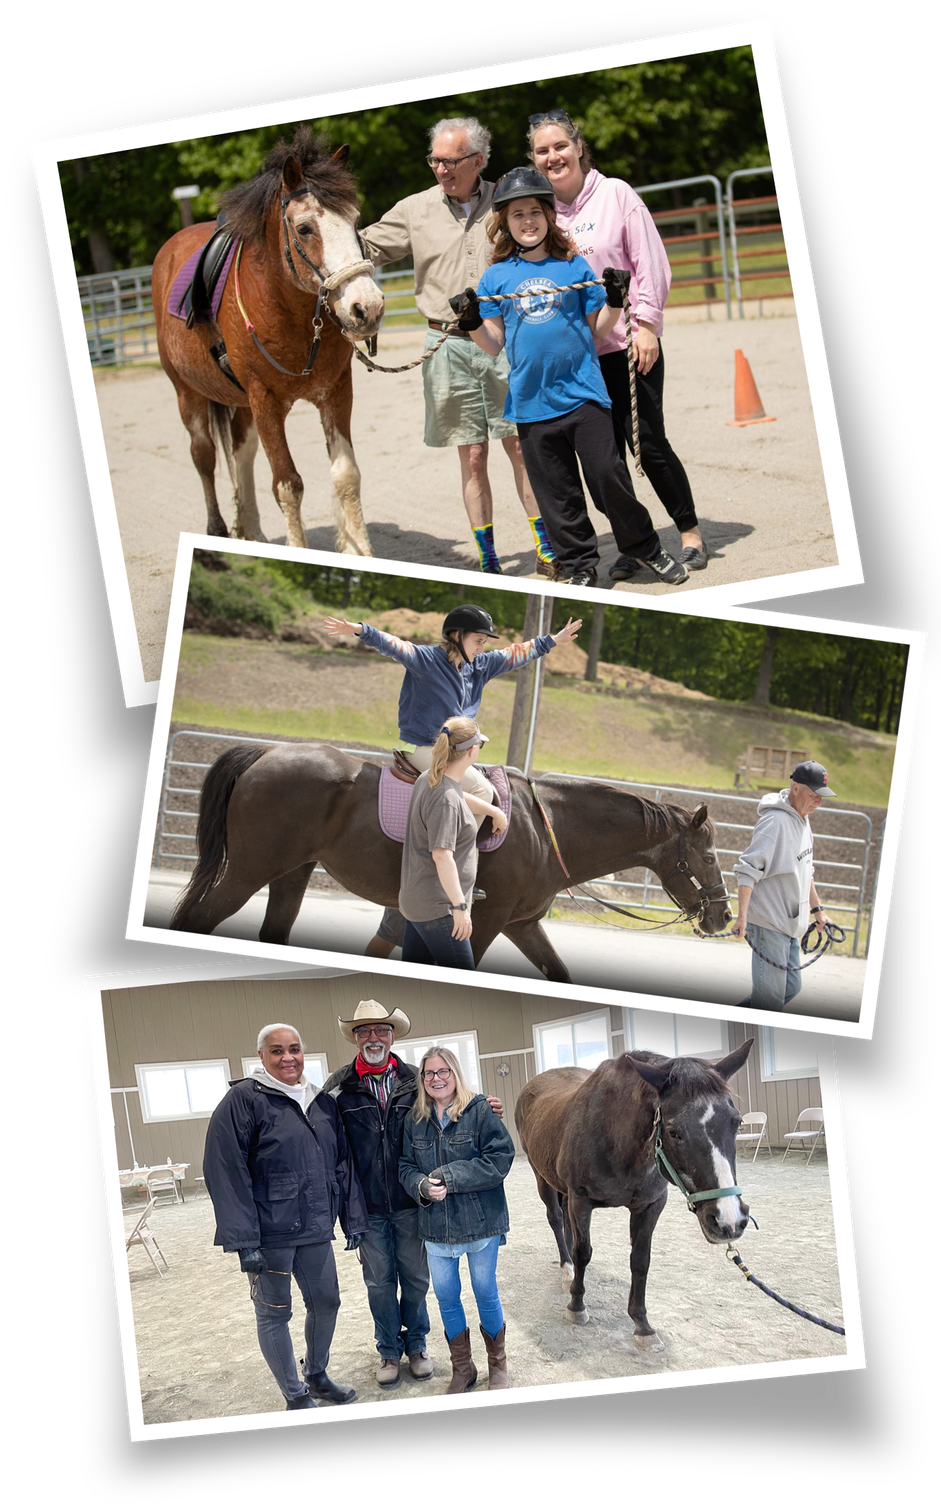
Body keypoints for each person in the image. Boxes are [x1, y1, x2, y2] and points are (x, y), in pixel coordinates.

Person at [455, 168, 688, 589]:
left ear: (549, 215)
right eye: (517, 214)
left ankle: (646, 547)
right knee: (557, 495)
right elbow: (493, 344)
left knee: (607, 475)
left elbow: (599, 327)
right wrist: (472, 320)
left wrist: (616, 298)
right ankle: (579, 563)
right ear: (505, 223)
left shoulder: (572, 266)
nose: (528, 221)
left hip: (583, 395)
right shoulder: (496, 279)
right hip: (531, 404)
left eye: (535, 212)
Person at [358, 116, 557, 577]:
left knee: (521, 446)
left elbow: (549, 232)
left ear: (479, 160)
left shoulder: (507, 200)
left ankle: (546, 549)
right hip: (445, 343)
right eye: (436, 160)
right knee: (472, 455)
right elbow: (361, 247)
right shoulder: (413, 210)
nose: (442, 170)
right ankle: (489, 559)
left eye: (452, 161)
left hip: (506, 339)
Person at [528, 109, 707, 582]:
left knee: (646, 443)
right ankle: (633, 543)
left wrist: (646, 324)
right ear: (533, 158)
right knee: (601, 460)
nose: (553, 157)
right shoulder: (540, 212)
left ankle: (689, 532)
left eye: (560, 146)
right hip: (578, 359)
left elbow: (650, 262)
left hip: (628, 346)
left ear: (579, 147)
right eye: (542, 150)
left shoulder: (616, 195)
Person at [322, 999, 505, 1389]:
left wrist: (482, 1106)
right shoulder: (337, 1090)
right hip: (367, 1206)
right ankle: (389, 1349)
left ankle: (418, 1345)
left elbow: (448, 1103)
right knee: (379, 1282)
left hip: (413, 1203)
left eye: (381, 1030)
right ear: (355, 1038)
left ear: (392, 1036)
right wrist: (342, 1208)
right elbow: (328, 1148)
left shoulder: (414, 1079)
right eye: (365, 1031)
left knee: (417, 1280)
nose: (374, 1037)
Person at [202, 1023, 367, 1411]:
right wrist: (243, 1241)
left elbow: (342, 1164)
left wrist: (353, 1220)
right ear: (261, 1056)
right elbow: (225, 1168)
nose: (287, 1057)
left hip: (314, 1227)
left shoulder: (322, 1102)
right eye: (277, 1051)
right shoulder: (244, 1099)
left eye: (294, 1049)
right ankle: (295, 1395)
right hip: (269, 1235)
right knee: (276, 1314)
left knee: (327, 1302)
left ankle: (317, 1373)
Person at [324, 602, 581, 826]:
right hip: (421, 748)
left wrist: (553, 641)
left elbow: (514, 654)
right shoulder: (426, 659)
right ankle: (456, 854)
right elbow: (396, 646)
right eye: (478, 641)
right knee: (482, 790)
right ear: (457, 635)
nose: (481, 648)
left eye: (483, 643)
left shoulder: (480, 666)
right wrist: (361, 630)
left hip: (453, 752)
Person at [398, 1045, 516, 1393]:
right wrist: (420, 1184)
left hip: (481, 1223)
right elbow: (405, 1165)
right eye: (430, 1073)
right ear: (422, 1080)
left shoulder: (480, 1110)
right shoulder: (414, 1120)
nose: (437, 1079)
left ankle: (499, 1367)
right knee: (447, 1298)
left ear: (456, 1073)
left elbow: (500, 1159)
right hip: (436, 1227)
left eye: (444, 1071)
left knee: (485, 1292)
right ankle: (463, 1369)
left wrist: (450, 1176)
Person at [731, 760, 837, 1012]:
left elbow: (805, 870)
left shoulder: (803, 820)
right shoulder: (775, 823)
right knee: (770, 1003)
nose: (819, 802)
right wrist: (742, 918)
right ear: (796, 788)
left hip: (789, 925)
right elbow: (747, 870)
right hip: (769, 923)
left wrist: (817, 910)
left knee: (790, 988)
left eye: (821, 797)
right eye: (814, 796)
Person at [398, 716, 490, 969]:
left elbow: (459, 796)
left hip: (419, 903)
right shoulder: (446, 799)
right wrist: (460, 907)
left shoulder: (430, 777)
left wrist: (494, 812)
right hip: (440, 909)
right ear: (472, 750)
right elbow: (441, 855)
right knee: (464, 985)